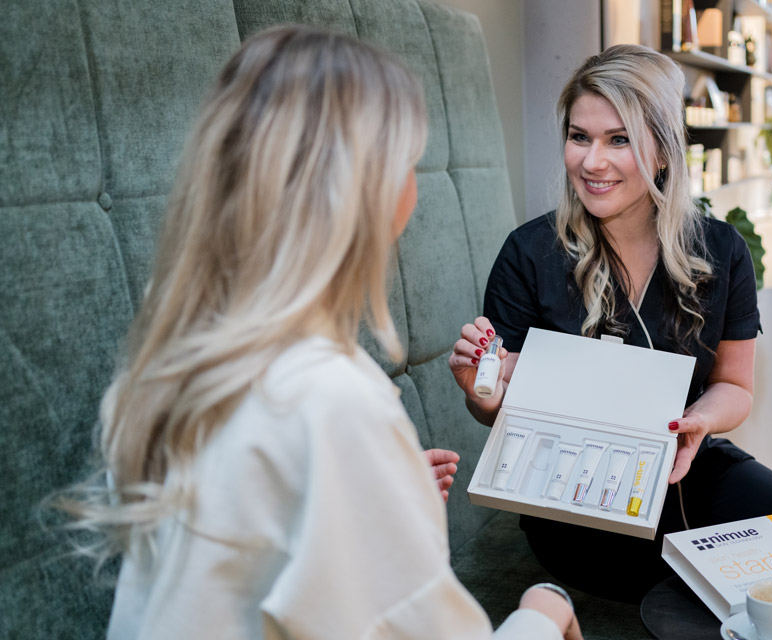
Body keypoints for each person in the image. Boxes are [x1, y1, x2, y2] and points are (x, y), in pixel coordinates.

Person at [62, 26, 582, 639]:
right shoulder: (334, 400)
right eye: (409, 162)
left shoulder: (182, 359)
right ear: (370, 192)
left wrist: (375, 492)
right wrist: (542, 612)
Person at [449, 44, 772, 601]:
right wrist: (486, 387)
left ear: (663, 151)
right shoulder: (529, 252)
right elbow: (493, 405)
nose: (592, 162)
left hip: (685, 462)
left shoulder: (721, 250)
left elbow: (736, 388)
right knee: (689, 590)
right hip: (570, 490)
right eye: (579, 137)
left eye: (618, 139)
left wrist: (696, 423)